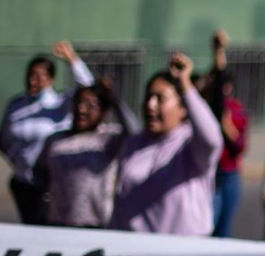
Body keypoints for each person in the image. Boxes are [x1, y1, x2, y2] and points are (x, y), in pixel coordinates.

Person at [110, 53, 223, 236]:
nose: (150, 105)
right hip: (132, 252)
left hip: (182, 255)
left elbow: (212, 139)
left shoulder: (191, 146)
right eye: (148, 97)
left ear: (183, 108)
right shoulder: (134, 144)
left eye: (160, 99)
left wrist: (185, 84)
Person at [1, 41, 94, 225]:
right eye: (30, 75)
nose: (33, 81)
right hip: (23, 182)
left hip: (51, 185)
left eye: (39, 76)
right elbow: (5, 138)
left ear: (51, 79)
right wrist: (17, 159)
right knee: (28, 227)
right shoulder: (16, 105)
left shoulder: (59, 104)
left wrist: (72, 59)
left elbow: (87, 85)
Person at [33, 78, 139, 228]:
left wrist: (115, 99)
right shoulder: (56, 140)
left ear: (103, 112)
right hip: (58, 223)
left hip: (96, 223)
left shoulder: (109, 137)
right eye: (78, 103)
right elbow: (40, 174)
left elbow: (135, 133)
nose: (82, 110)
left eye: (90, 106)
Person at [206, 29, 250, 239]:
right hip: (210, 172)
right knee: (208, 225)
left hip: (229, 174)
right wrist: (218, 52)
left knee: (223, 229)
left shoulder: (237, 110)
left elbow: (241, 146)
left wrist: (228, 128)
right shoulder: (207, 107)